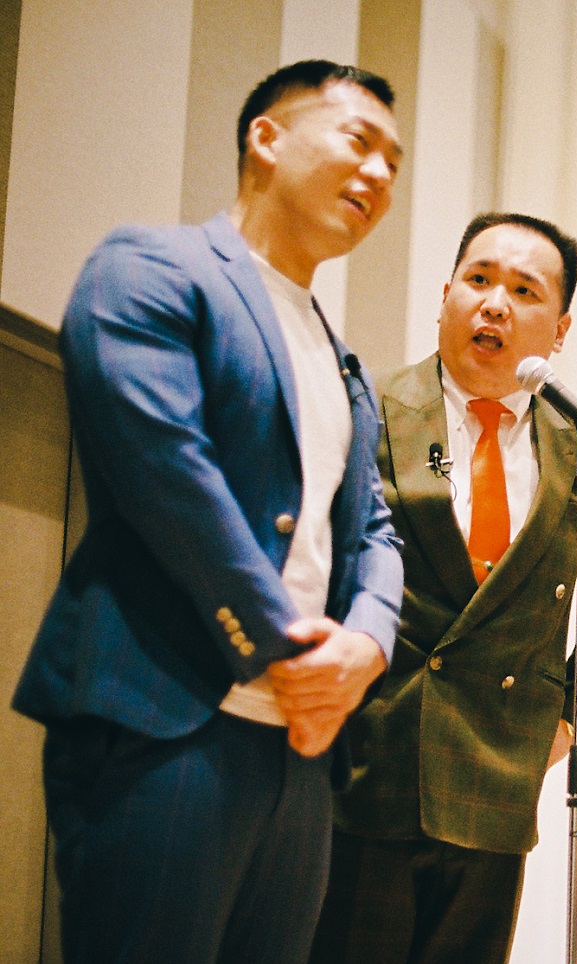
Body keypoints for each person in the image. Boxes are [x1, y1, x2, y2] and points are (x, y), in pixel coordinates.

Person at [10, 60, 405, 963]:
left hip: (301, 756)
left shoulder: (343, 361)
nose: (380, 173)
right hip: (166, 723)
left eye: (395, 160)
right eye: (359, 141)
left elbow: (373, 527)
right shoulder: (151, 268)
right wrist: (297, 658)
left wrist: (368, 647)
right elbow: (170, 479)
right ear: (267, 137)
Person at [308, 211, 577, 964]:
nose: (495, 304)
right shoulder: (367, 405)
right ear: (445, 296)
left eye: (524, 290)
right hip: (367, 771)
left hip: (497, 788)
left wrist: (573, 719)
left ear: (559, 330)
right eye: (478, 280)